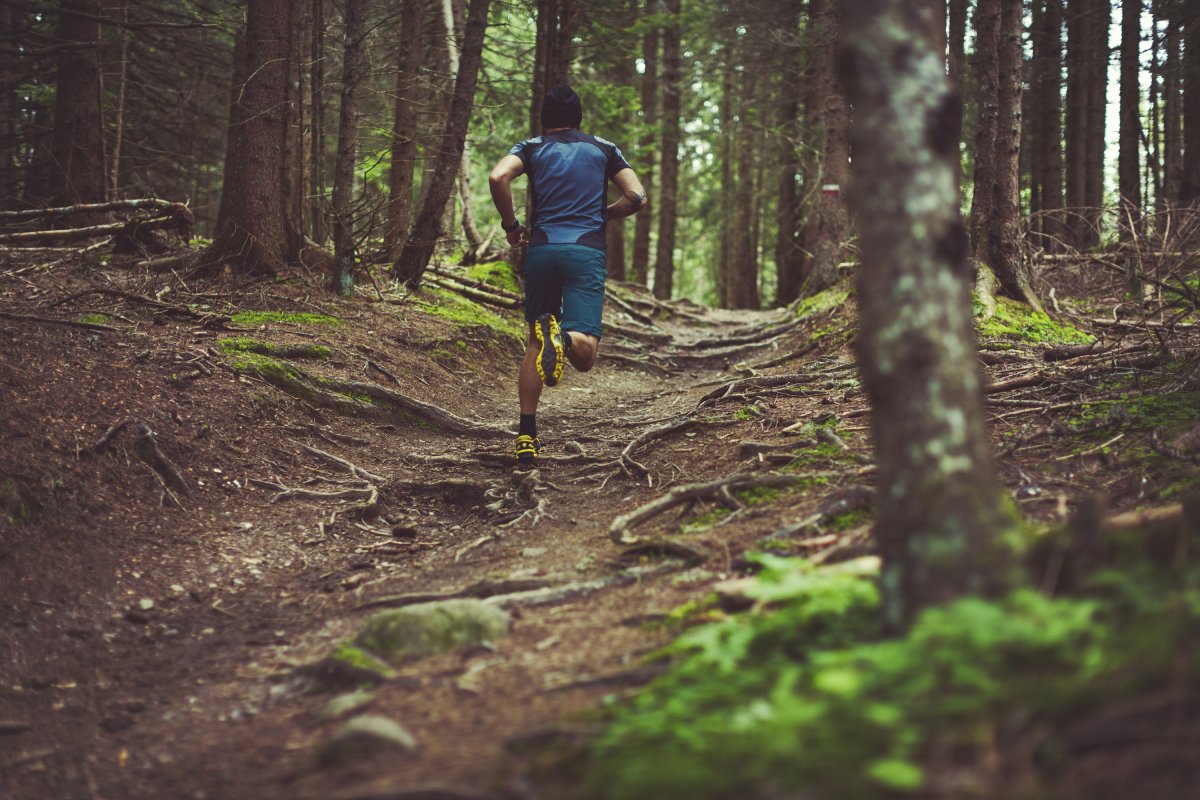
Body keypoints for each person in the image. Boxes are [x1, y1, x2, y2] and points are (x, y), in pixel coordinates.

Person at [488, 83, 648, 462]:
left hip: (542, 250)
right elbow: (637, 197)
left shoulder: (530, 148)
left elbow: (497, 177)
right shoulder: (604, 148)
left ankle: (526, 436)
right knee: (585, 354)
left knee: (535, 341)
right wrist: (603, 213)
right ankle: (560, 337)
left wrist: (511, 226)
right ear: (579, 118)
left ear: (544, 119)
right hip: (584, 251)